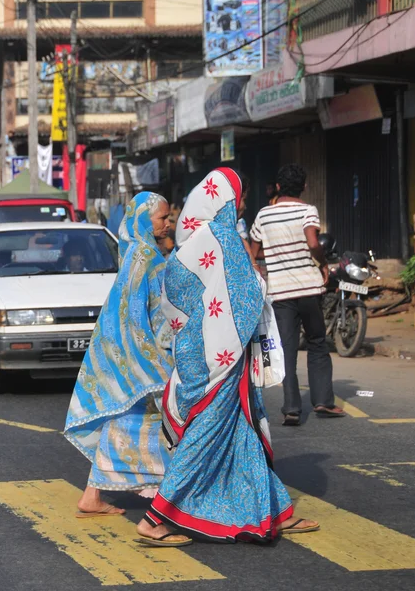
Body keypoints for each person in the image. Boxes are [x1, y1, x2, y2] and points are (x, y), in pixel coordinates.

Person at [136, 167, 319, 547]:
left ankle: (275, 511)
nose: (243, 206)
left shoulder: (192, 241)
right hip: (222, 357)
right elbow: (248, 291)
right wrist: (259, 279)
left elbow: (182, 298)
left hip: (197, 351)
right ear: (226, 199)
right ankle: (156, 518)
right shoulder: (223, 239)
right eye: (241, 199)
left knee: (243, 431)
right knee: (206, 434)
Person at [64, 192, 174, 517]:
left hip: (130, 352)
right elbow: (135, 312)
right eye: (162, 219)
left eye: (168, 217)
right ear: (143, 220)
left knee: (125, 418)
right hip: (140, 353)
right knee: (143, 420)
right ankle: (171, 495)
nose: (168, 223)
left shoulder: (139, 251)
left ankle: (94, 496)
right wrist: (153, 356)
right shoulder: (144, 256)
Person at [250, 164, 345, 426]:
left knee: (288, 349)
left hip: (280, 292)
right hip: (308, 289)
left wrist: (267, 258)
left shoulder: (263, 215)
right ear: (303, 186)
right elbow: (314, 243)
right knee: (316, 342)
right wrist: (323, 263)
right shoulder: (307, 210)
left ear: (278, 187)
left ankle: (291, 408)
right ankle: (323, 401)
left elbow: (254, 249)